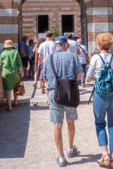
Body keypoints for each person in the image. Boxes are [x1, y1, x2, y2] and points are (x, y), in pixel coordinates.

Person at [86, 32, 113, 169]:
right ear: (110, 45)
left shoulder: (95, 59)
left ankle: (105, 154)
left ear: (98, 45)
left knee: (100, 123)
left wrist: (95, 78)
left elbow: (88, 78)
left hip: (100, 96)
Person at [43, 35, 83, 167]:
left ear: (56, 46)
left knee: (57, 125)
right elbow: (79, 75)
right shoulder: (72, 56)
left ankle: (61, 158)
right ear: (65, 45)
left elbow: (44, 78)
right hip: (69, 92)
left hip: (55, 93)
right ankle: (71, 149)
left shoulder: (48, 58)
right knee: (70, 122)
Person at [0, 40, 24, 112]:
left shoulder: (2, 53)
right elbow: (19, 63)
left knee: (8, 90)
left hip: (6, 74)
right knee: (16, 87)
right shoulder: (15, 52)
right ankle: (15, 102)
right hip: (15, 73)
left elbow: (1, 65)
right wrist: (22, 72)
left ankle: (9, 106)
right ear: (12, 45)